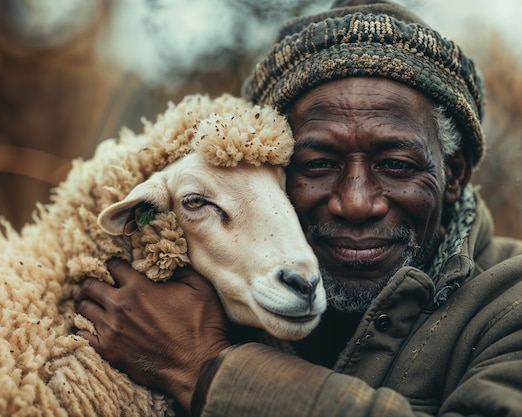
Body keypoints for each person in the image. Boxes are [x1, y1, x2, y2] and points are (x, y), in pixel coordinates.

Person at [76, 1, 522, 416]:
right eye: (318, 164)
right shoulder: (190, 294)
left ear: (455, 173)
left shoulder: (509, 304)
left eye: (397, 165)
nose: (355, 202)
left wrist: (205, 368)